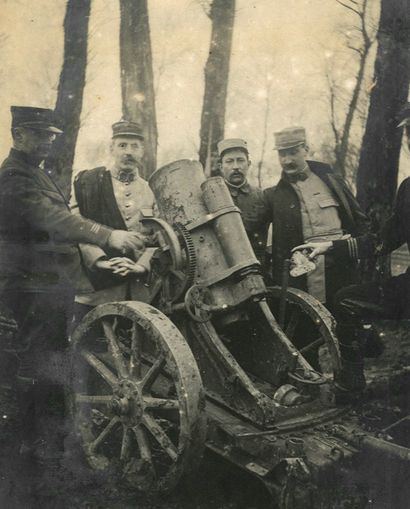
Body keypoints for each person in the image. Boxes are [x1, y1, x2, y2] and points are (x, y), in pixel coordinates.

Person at [0, 106, 146, 464]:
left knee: (49, 359)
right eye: (41, 135)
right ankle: (28, 447)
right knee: (37, 361)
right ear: (19, 136)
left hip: (51, 282)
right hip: (31, 284)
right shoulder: (13, 177)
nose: (49, 141)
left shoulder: (36, 173)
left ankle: (45, 437)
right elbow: (54, 218)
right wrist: (107, 234)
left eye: (52, 135)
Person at [293, 106, 410, 395]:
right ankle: (352, 386)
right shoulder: (408, 189)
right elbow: (382, 241)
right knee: (347, 300)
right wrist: (329, 246)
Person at [263, 126, 370, 310]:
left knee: (345, 322)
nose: (287, 160)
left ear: (306, 149)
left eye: (293, 152)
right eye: (282, 154)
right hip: (301, 278)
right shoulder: (274, 196)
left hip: (339, 272)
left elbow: (359, 222)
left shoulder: (332, 181)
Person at [71, 119, 156, 323]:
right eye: (122, 145)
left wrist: (142, 266)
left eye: (134, 146)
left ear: (142, 151)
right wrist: (100, 261)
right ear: (111, 148)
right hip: (95, 285)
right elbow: (75, 225)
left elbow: (160, 237)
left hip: (137, 289)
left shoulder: (151, 190)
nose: (128, 152)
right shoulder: (88, 182)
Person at [217, 138, 269, 269]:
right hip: (222, 270)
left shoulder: (261, 196)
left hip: (256, 268)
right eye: (229, 161)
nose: (235, 167)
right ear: (221, 166)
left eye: (240, 160)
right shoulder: (212, 197)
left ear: (248, 163)